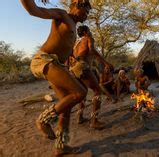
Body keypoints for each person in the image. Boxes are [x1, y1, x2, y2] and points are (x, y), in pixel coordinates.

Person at [20, 0, 91, 155]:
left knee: (66, 106)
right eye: (85, 11)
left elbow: (65, 50)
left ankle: (61, 146)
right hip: (44, 60)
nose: (86, 15)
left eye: (88, 13)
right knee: (80, 93)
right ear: (75, 5)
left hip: (57, 65)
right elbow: (34, 10)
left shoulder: (73, 27)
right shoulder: (62, 15)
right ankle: (43, 120)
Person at [69, 25, 113, 129]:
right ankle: (94, 121)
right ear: (85, 32)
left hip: (73, 69)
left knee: (83, 92)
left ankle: (80, 116)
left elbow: (71, 55)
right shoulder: (89, 38)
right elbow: (92, 50)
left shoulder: (76, 43)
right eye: (89, 30)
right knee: (97, 90)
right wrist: (105, 63)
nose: (91, 32)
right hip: (82, 66)